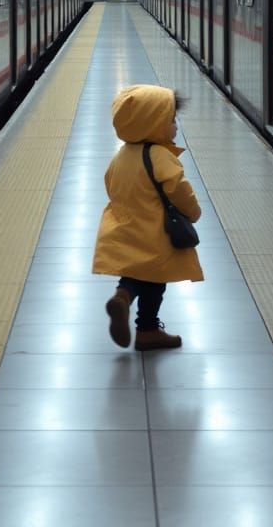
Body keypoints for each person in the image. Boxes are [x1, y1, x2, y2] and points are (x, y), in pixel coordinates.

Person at [92, 85, 203, 350]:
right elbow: (178, 189)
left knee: (135, 272)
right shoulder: (160, 155)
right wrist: (193, 212)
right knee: (155, 280)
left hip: (125, 227)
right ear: (154, 123)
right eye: (171, 120)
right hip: (155, 231)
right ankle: (147, 329)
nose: (175, 126)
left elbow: (110, 185)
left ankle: (123, 296)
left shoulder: (121, 156)